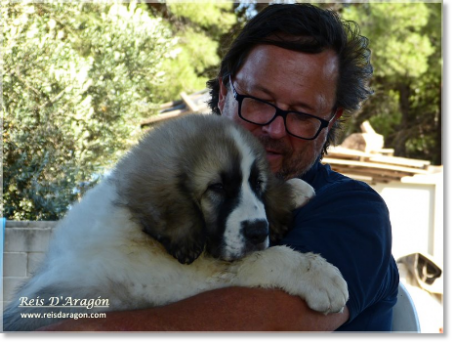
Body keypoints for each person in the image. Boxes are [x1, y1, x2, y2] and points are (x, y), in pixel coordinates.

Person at [41, 3, 399, 331]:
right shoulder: (159, 193)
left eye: (303, 114)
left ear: (332, 119)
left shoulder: (352, 211)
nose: (273, 129)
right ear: (225, 92)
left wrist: (85, 329)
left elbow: (262, 323)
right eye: (259, 101)